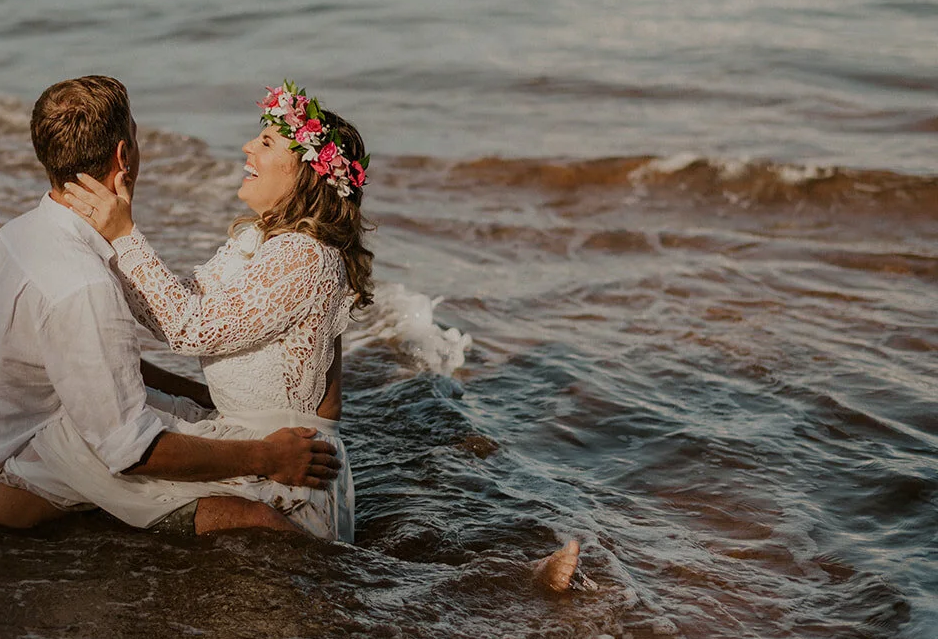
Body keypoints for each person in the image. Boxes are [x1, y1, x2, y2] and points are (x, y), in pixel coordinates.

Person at [64, 81, 591, 584]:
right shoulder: (259, 242)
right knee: (92, 432)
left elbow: (192, 328)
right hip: (250, 437)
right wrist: (100, 244)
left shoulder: (306, 257)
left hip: (288, 467)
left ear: (305, 176)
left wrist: (125, 233)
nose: (248, 146)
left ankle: (514, 579)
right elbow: (169, 309)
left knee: (86, 451)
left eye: (267, 141)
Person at [0, 75, 342, 536]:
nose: (246, 147)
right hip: (23, 450)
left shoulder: (16, 236)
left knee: (178, 421)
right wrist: (267, 455)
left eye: (266, 141)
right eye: (136, 134)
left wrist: (201, 399)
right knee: (250, 518)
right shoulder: (85, 286)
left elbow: (114, 362)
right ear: (124, 156)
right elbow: (132, 448)